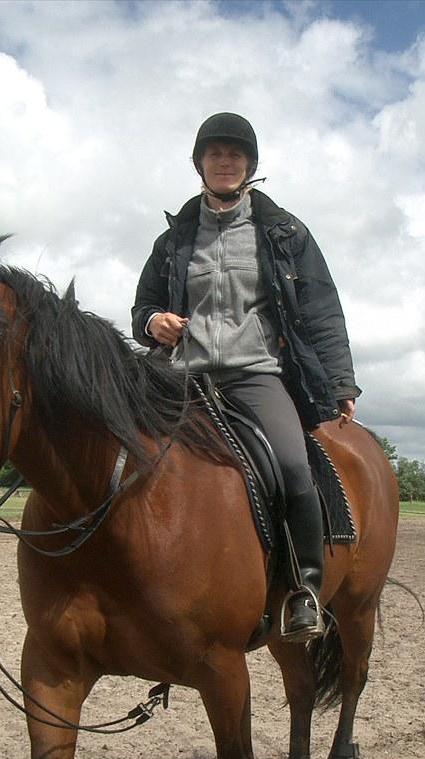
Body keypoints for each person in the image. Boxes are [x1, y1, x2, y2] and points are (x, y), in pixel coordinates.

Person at [132, 112, 361, 642]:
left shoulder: (285, 233)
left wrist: (341, 381)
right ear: (200, 166)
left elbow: (321, 308)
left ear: (250, 166)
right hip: (178, 377)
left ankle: (303, 590)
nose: (225, 161)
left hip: (253, 374)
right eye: (215, 154)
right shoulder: (173, 240)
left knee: (292, 464)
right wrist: (151, 321)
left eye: (235, 154)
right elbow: (142, 305)